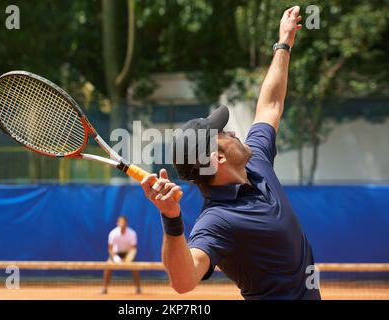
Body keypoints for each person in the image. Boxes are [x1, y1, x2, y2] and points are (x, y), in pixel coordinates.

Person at [141, 6, 321, 300]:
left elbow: (271, 104)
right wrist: (171, 218)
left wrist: (284, 44)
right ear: (217, 159)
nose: (233, 132)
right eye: (223, 134)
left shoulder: (257, 163)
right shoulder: (218, 220)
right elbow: (184, 282)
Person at [101, 215, 141, 294]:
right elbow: (110, 249)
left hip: (128, 254)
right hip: (115, 254)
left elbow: (133, 248)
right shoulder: (113, 233)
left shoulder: (132, 233)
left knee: (135, 269)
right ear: (117, 223)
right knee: (107, 268)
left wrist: (128, 259)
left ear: (126, 223)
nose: (122, 224)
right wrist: (116, 258)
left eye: (124, 222)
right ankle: (104, 288)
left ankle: (138, 288)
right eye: (120, 222)